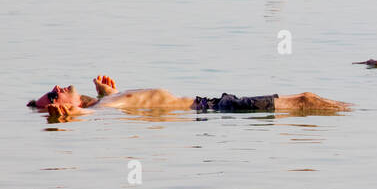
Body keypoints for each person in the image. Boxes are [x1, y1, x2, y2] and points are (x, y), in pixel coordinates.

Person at [27, 75, 350, 120]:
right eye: (51, 98)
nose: (55, 89)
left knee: (306, 100)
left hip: (213, 105)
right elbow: (88, 115)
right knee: (306, 101)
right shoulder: (97, 111)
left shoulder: (105, 101)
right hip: (217, 109)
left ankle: (354, 111)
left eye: (50, 89)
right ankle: (358, 114)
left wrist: (109, 91)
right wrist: (70, 115)